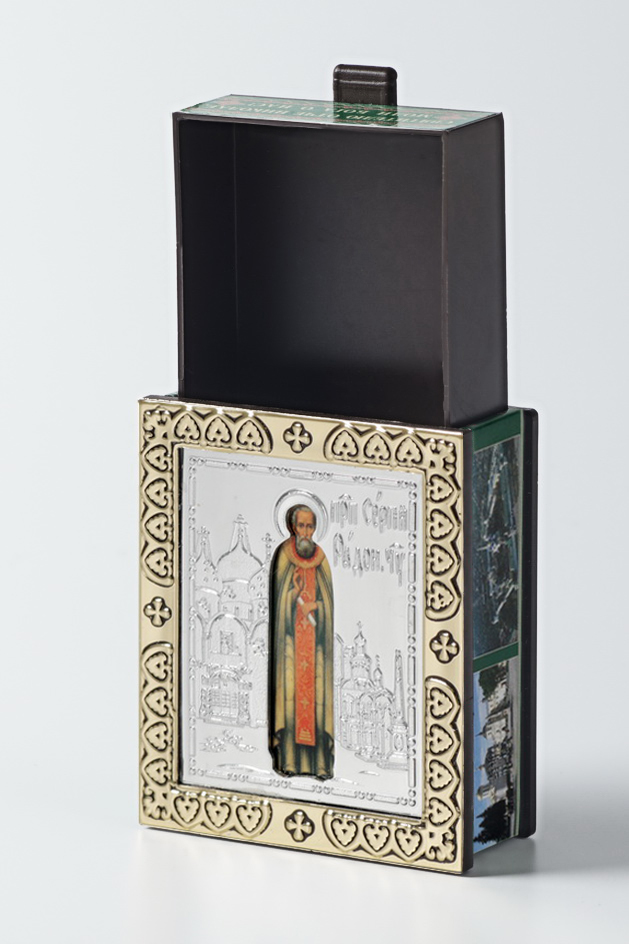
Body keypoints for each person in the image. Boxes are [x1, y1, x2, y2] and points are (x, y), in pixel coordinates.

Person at [269, 504, 334, 779]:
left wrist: (315, 606)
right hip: (290, 646)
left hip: (316, 647)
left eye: (310, 526)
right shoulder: (284, 556)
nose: (306, 532)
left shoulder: (321, 559)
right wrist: (292, 596)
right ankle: (288, 762)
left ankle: (320, 765)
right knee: (290, 701)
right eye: (301, 526)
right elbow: (279, 598)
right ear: (292, 527)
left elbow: (328, 603)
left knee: (317, 703)